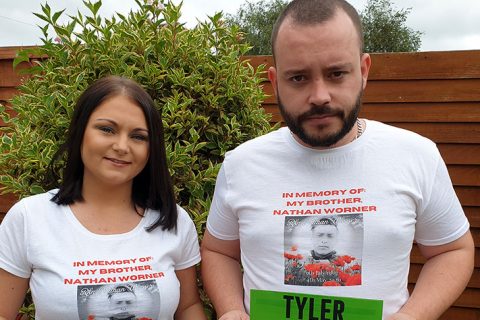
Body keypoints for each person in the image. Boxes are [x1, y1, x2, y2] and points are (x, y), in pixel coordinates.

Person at [201, 0, 475, 319]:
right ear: (275, 83)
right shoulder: (241, 164)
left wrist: (411, 316)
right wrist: (231, 310)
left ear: (363, 71)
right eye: (299, 78)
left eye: (336, 73)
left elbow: (453, 250)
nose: (319, 95)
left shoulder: (416, 155)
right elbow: (219, 251)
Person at [0, 76, 207, 320]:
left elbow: (188, 307)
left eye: (138, 136)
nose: (122, 146)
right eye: (107, 129)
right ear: (80, 131)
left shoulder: (173, 220)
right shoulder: (29, 217)